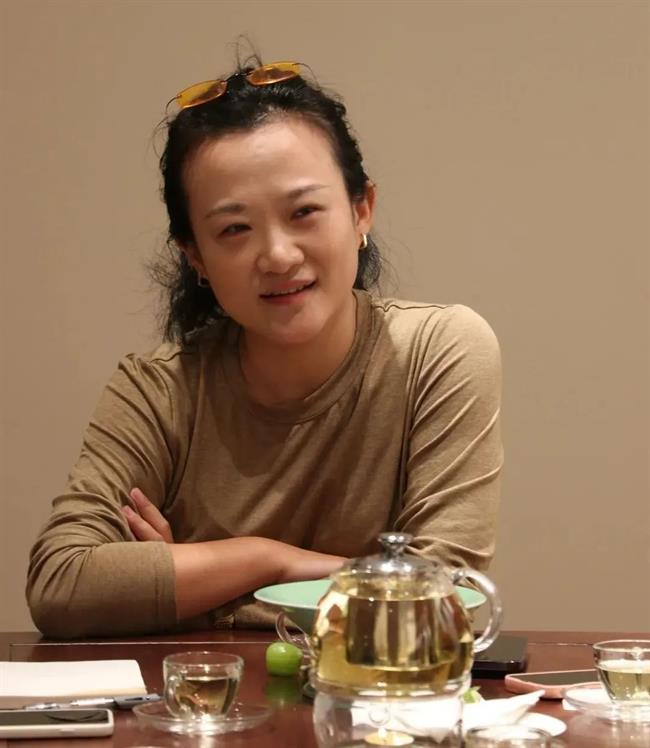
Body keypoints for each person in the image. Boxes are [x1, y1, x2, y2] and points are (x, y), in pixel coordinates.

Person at [26, 58, 503, 638]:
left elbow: (439, 604)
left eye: (304, 212)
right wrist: (266, 559)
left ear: (361, 211)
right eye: (234, 229)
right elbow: (61, 585)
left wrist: (192, 593)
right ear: (196, 257)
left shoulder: (439, 351)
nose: (278, 255)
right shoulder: (156, 390)